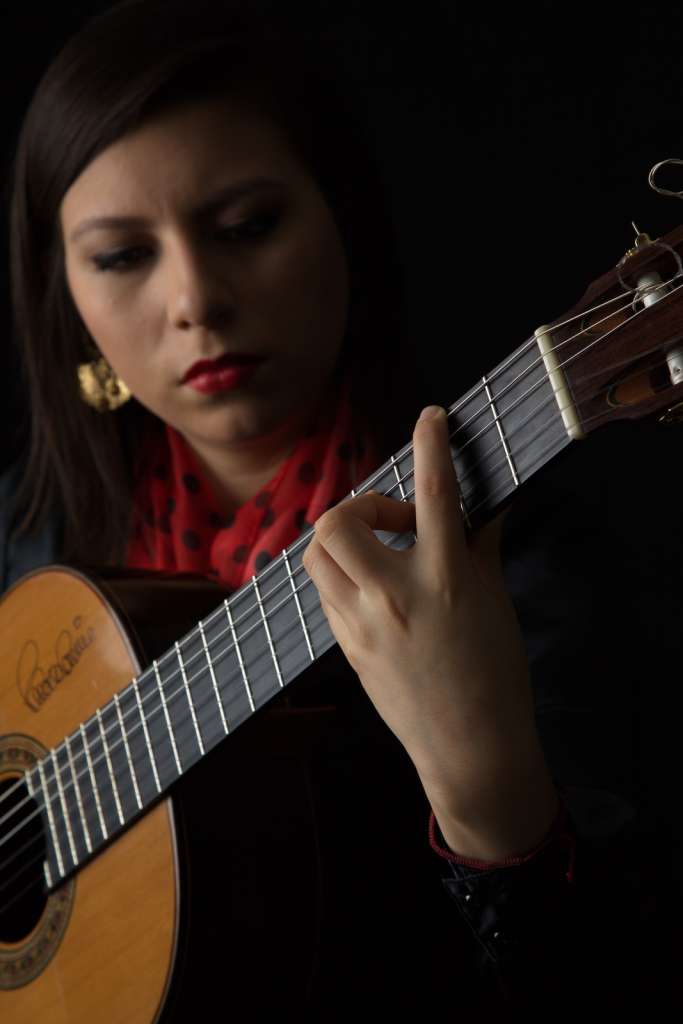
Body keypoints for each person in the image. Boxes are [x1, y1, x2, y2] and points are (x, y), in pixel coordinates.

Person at [1, 0, 681, 1016]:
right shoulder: (26, 539)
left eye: (246, 226)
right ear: (65, 294)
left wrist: (485, 783)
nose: (193, 297)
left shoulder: (522, 569)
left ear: (342, 222)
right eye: (121, 256)